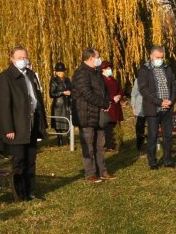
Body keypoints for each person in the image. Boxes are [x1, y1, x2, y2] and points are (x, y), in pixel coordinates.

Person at [0, 46, 47, 200]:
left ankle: (31, 192)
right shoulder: (6, 77)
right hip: (17, 127)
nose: (23, 60)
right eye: (19, 57)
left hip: (31, 124)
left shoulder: (30, 75)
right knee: (19, 161)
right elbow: (4, 105)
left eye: (24, 57)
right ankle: (20, 193)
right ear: (12, 59)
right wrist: (8, 128)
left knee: (31, 159)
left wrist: (41, 122)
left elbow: (37, 98)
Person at [72, 47, 113, 182]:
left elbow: (104, 90)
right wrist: (104, 104)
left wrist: (107, 102)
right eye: (98, 57)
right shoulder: (81, 73)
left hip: (99, 114)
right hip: (86, 114)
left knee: (100, 144)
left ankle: (103, 171)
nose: (99, 59)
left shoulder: (96, 72)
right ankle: (90, 173)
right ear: (90, 58)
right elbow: (87, 94)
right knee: (88, 145)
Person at [136, 46, 176, 170]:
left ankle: (167, 159)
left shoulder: (167, 68)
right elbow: (144, 90)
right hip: (153, 109)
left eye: (161, 57)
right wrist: (160, 102)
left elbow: (174, 85)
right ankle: (153, 162)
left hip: (167, 109)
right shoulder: (145, 70)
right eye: (157, 57)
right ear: (151, 56)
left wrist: (171, 100)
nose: (160, 59)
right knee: (153, 136)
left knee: (168, 136)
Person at [48, 62, 76, 147]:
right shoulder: (54, 80)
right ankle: (59, 140)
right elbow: (52, 94)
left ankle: (69, 140)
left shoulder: (67, 80)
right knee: (58, 123)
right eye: (59, 71)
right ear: (56, 72)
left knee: (68, 122)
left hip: (67, 103)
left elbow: (72, 89)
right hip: (58, 105)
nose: (61, 73)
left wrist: (71, 92)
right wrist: (62, 92)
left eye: (62, 71)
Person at [102, 61, 125, 151]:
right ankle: (109, 145)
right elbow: (102, 93)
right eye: (107, 68)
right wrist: (112, 98)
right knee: (108, 126)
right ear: (102, 70)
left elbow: (120, 90)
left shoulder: (114, 80)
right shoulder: (101, 81)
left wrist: (119, 95)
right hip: (108, 106)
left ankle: (118, 142)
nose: (109, 70)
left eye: (110, 68)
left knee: (117, 124)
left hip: (116, 106)